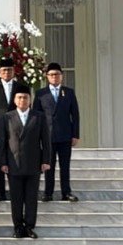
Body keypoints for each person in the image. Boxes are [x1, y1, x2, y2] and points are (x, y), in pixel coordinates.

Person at [0, 92, 50, 239]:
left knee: (31, 197)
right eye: (19, 97)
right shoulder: (7, 117)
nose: (22, 100)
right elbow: (2, 142)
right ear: (14, 100)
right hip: (14, 163)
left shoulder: (38, 116)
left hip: (33, 163)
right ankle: (18, 227)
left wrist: (46, 160)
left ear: (30, 100)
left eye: (25, 97)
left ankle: (30, 227)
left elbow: (45, 140)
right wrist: (3, 162)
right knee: (16, 198)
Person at [0, 58, 30, 202]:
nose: (7, 73)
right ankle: (1, 192)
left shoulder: (21, 87)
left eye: (9, 70)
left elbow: (28, 108)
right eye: (4, 70)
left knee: (16, 159)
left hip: (17, 129)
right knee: (0, 160)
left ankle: (16, 190)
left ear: (14, 71)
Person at [33, 62, 80, 203]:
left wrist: (75, 134)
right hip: (48, 136)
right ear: (47, 77)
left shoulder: (69, 92)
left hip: (65, 134)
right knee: (48, 166)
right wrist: (38, 136)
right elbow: (36, 115)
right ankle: (48, 192)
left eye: (57, 74)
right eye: (51, 75)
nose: (54, 77)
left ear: (62, 76)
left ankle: (66, 192)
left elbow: (75, 115)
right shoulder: (41, 93)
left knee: (65, 166)